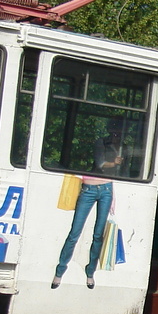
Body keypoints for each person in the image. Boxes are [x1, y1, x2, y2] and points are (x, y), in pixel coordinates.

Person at [52, 120, 123, 289]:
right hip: (89, 188)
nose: (115, 136)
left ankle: (90, 271)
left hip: (106, 188)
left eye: (117, 133)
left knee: (98, 233)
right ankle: (60, 269)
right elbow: (100, 164)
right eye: (113, 132)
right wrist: (114, 162)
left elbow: (120, 171)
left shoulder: (121, 147)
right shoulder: (101, 143)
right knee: (75, 232)